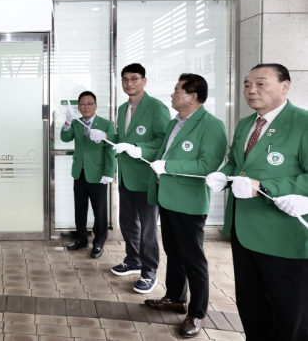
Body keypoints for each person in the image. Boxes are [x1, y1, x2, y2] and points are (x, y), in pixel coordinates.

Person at [206, 64, 308, 341]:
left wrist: (264, 187)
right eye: (247, 84)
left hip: (283, 237)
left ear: (285, 86)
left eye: (261, 83)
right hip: (244, 232)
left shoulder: (302, 122)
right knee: (252, 308)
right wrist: (224, 175)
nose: (251, 90)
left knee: (289, 315)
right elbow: (237, 164)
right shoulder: (246, 124)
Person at [125, 73, 227, 338]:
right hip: (167, 197)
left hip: (189, 202)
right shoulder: (175, 123)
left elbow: (208, 164)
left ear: (192, 97)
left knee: (193, 259)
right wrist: (137, 149)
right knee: (174, 252)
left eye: (177, 90)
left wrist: (169, 166)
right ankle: (175, 297)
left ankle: (197, 313)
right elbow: (160, 153)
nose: (172, 94)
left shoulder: (212, 125)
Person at [100, 63, 170, 294]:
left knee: (148, 229)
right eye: (125, 79)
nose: (129, 83)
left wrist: (138, 148)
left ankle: (149, 272)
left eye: (134, 78)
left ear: (144, 80)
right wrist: (106, 136)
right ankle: (133, 260)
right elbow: (122, 139)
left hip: (146, 178)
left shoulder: (156, 107)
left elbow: (163, 141)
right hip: (126, 178)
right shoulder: (122, 108)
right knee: (128, 223)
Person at [60, 91, 116, 259]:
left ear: (96, 105)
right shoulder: (76, 123)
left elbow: (111, 148)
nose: (86, 107)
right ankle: (81, 238)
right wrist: (67, 122)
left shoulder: (106, 124)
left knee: (99, 211)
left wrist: (109, 172)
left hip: (98, 174)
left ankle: (99, 243)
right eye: (82, 104)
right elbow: (65, 138)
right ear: (78, 107)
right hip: (80, 172)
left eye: (90, 103)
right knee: (80, 208)